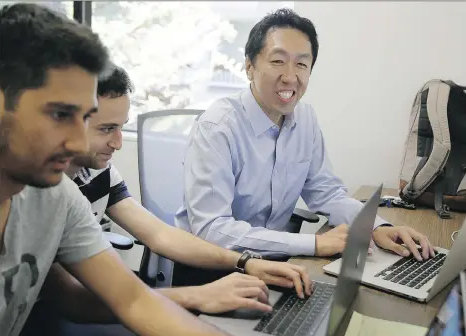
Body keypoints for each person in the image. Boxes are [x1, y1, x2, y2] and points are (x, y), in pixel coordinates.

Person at [0, 4, 337, 336]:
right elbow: (73, 299)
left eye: (85, 119)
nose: (81, 142)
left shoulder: (57, 195)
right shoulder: (219, 125)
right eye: (60, 115)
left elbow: (131, 298)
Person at [175, 8, 435, 262]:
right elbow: (212, 229)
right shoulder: (217, 128)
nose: (290, 77)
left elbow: (326, 193)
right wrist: (314, 244)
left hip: (272, 264)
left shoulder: (305, 120)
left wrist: (376, 227)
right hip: (213, 266)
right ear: (249, 67)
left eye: (301, 64)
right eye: (278, 61)